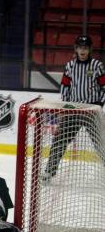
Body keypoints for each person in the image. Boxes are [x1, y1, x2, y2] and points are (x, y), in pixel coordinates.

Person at [43, 35, 105, 181]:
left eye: (85, 48)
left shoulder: (97, 66)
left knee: (101, 143)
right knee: (59, 140)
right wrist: (66, 106)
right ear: (76, 49)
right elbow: (65, 87)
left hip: (91, 111)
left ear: (90, 50)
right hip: (73, 110)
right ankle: (49, 172)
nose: (82, 51)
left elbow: (104, 87)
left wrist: (99, 105)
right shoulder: (70, 66)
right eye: (80, 47)